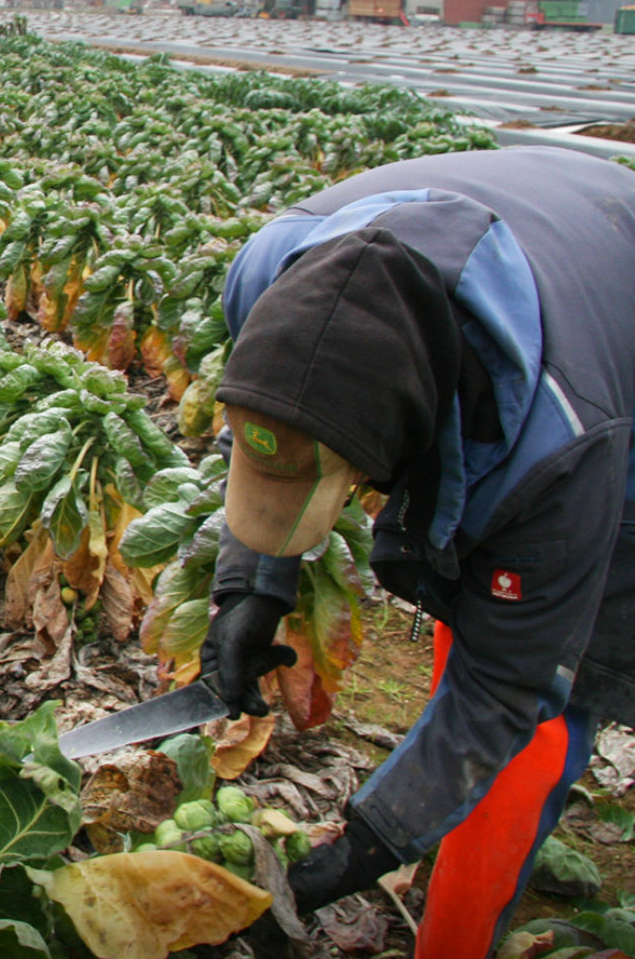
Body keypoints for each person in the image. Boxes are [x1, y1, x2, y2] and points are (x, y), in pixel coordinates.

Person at [199, 146, 635, 957]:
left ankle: (457, 935)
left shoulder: (564, 441)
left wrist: (360, 850)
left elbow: (511, 682)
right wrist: (249, 590)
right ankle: (434, 790)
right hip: (542, 241)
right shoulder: (271, 268)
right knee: (486, 599)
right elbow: (282, 420)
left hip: (615, 318)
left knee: (548, 684)